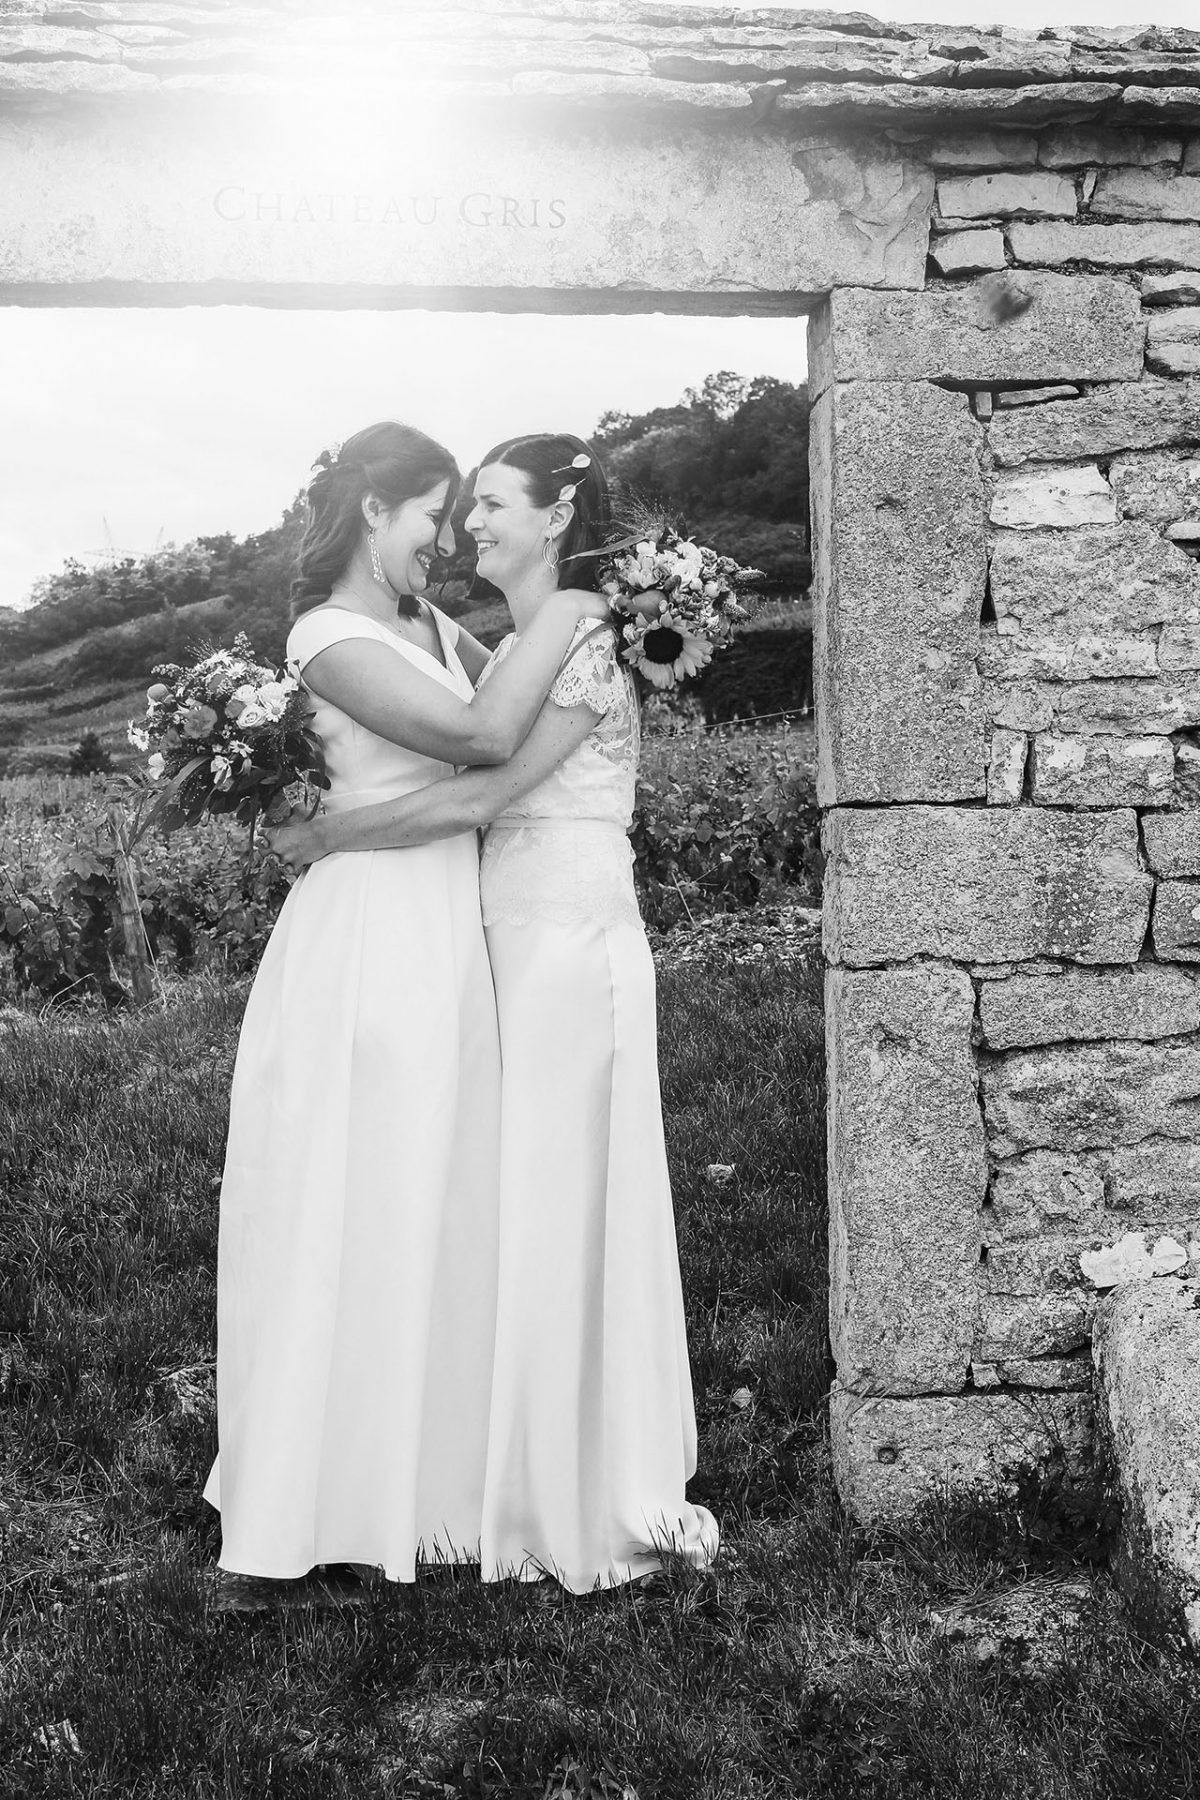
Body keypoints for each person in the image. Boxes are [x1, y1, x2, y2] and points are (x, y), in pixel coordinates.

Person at [270, 433, 719, 1592]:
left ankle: (580, 1477)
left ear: (558, 515)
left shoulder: (580, 632)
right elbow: (445, 693)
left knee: (570, 1206)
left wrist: (330, 835)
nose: (468, 525)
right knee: (516, 1204)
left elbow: (488, 784)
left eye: (489, 505)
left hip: (567, 944)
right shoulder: (523, 640)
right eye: (454, 507)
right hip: (502, 943)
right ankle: (495, 1457)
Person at [203, 421, 609, 1582]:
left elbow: (523, 705)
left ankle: (430, 1481)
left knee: (439, 1194)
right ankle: (319, 1495)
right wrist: (583, 608)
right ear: (374, 509)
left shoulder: (430, 623)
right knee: (356, 1198)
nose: (447, 539)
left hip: (447, 926)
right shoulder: (325, 638)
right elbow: (483, 736)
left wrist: (590, 630)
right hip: (371, 934)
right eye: (434, 514)